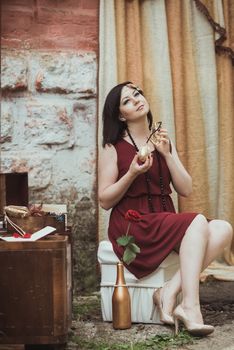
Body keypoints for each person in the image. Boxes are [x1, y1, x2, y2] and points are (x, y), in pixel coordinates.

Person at [98, 81, 233, 336]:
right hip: (133, 224)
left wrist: (168, 154)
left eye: (137, 93)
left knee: (223, 228)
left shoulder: (161, 139)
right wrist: (131, 174)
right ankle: (190, 307)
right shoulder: (113, 147)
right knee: (197, 221)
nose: (137, 99)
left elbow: (186, 188)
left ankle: (168, 291)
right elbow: (105, 200)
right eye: (127, 100)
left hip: (163, 219)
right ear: (120, 115)